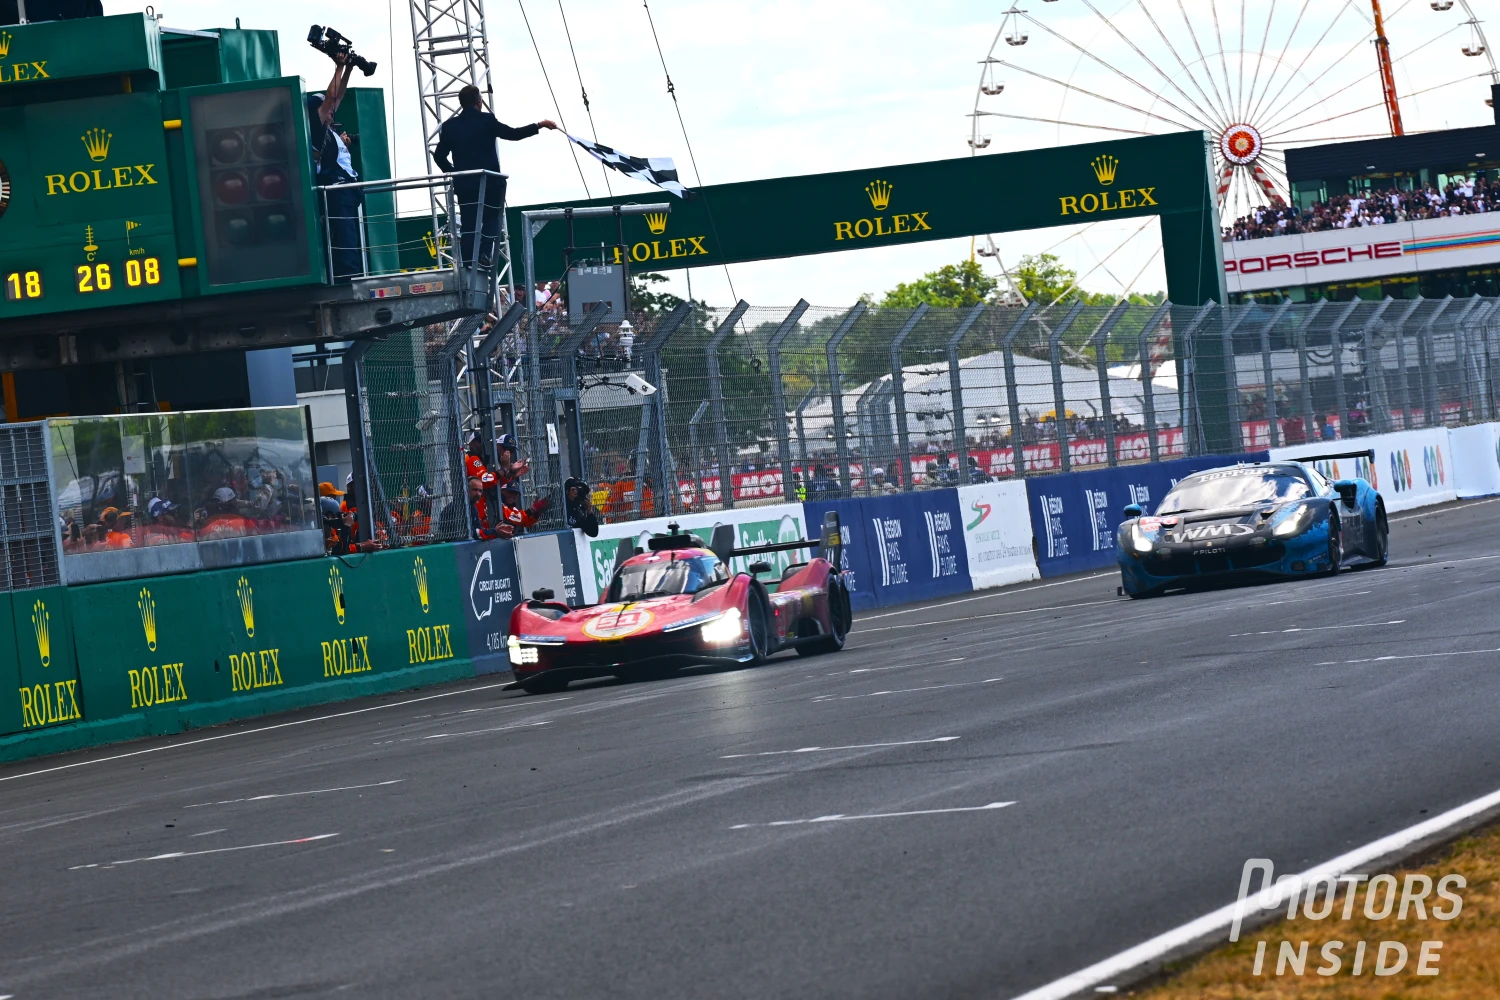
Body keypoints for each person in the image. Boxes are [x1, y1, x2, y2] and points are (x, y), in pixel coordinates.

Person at [432, 85, 557, 267]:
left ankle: (468, 261)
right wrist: (539, 125)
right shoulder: (486, 120)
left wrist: (454, 173)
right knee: (492, 218)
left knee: (468, 224)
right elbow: (513, 134)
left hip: (465, 184)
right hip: (489, 183)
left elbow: (439, 156)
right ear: (479, 101)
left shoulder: (449, 126)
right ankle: (484, 253)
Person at [306, 53, 361, 281]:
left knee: (352, 239)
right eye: (326, 108)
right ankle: (348, 279)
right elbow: (330, 97)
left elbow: (336, 97)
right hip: (336, 190)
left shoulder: (330, 131)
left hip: (348, 190)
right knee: (345, 240)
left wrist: (349, 69)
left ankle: (353, 273)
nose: (331, 110)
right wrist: (338, 67)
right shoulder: (316, 130)